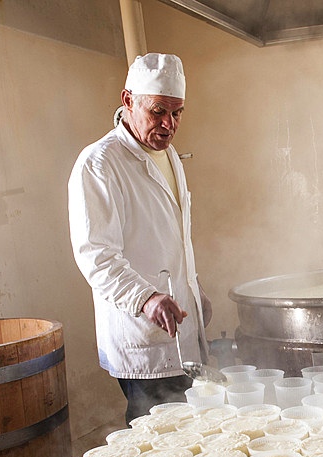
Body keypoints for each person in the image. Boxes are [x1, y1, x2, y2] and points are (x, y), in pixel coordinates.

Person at [69, 53, 211, 424]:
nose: (169, 124)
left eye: (177, 113)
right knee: (159, 444)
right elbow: (96, 255)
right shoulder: (99, 164)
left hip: (180, 332)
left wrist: (194, 292)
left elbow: (169, 240)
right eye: (158, 111)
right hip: (143, 338)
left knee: (193, 438)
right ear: (128, 100)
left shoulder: (168, 155)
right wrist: (146, 299)